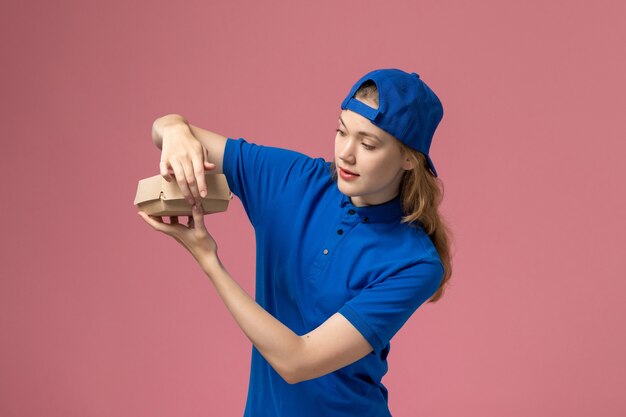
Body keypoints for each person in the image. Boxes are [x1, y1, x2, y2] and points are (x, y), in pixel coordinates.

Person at [138, 68, 454, 417]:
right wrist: (176, 130)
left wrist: (209, 260)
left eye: (367, 144)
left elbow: (297, 360)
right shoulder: (293, 179)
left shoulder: (415, 262)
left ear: (409, 158)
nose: (345, 154)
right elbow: (162, 130)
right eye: (341, 131)